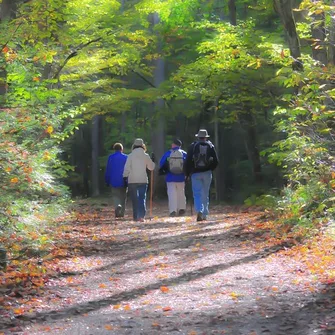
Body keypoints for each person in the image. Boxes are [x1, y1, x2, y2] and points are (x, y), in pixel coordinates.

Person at [184, 129, 219, 222]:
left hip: (195, 173)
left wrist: (187, 174)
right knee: (205, 193)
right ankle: (204, 214)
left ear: (198, 137)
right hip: (207, 173)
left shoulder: (193, 146)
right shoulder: (210, 146)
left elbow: (187, 161)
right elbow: (216, 161)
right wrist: (210, 168)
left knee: (197, 193)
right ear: (206, 137)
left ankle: (199, 210)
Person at [123, 138, 155, 222]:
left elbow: (127, 167)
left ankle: (136, 216)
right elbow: (151, 167)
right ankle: (141, 216)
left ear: (134, 145)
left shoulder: (130, 156)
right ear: (142, 145)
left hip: (132, 180)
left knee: (135, 199)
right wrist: (153, 161)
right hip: (143, 180)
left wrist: (125, 176)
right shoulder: (145, 155)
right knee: (142, 198)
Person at [159, 139, 187, 217]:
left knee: (172, 194)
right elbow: (188, 164)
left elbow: (161, 164)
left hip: (170, 177)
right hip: (181, 177)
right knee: (181, 193)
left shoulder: (168, 153)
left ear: (173, 145)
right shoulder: (184, 153)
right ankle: (182, 208)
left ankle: (173, 210)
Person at [105, 142, 128, 218]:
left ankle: (117, 205)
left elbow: (108, 170)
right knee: (123, 196)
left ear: (114, 149)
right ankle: (122, 213)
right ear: (122, 149)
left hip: (113, 180)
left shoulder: (111, 157)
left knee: (115, 195)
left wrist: (107, 180)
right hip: (123, 180)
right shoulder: (126, 157)